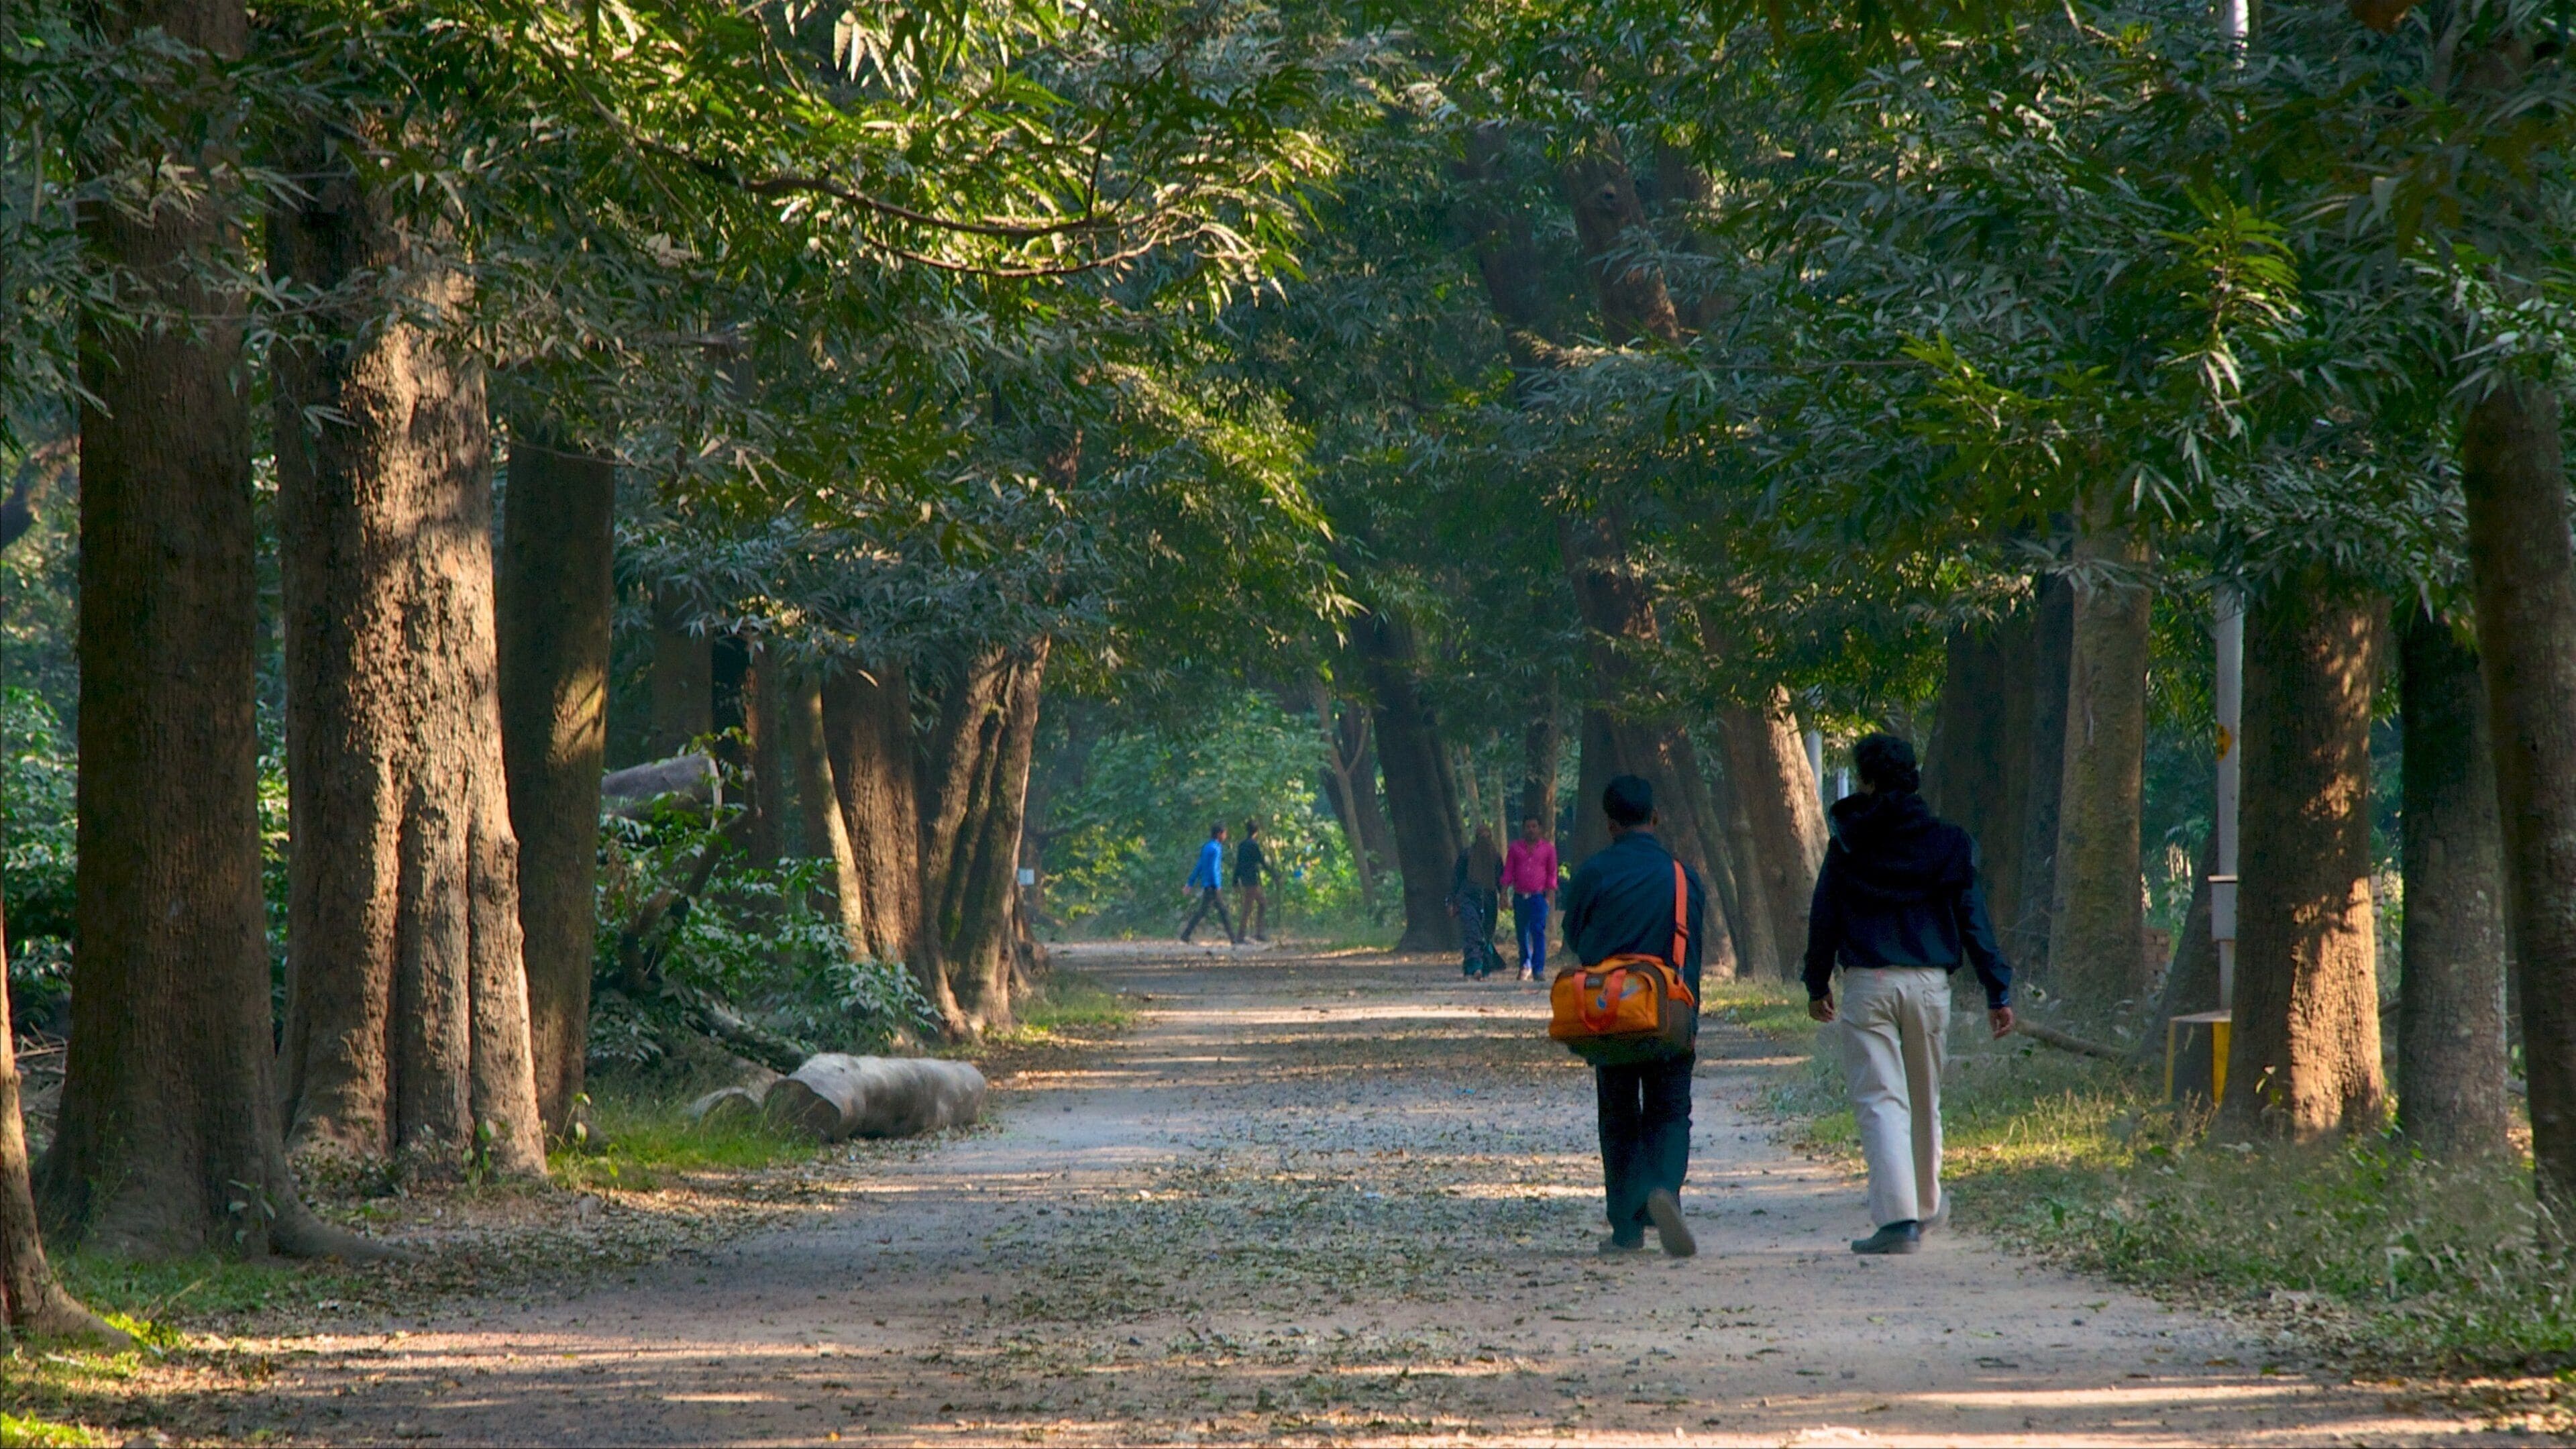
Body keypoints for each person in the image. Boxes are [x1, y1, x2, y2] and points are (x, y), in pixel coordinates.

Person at [1804, 733, 2015, 1256]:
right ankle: (1925, 1206)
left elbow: (1824, 915)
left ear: (1865, 780)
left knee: (1881, 1100)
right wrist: (1998, 990)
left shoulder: (1848, 842)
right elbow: (1974, 920)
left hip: (1869, 983)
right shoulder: (1948, 843)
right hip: (1929, 985)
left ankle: (1898, 1222)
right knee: (1926, 1097)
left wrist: (1817, 983)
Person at [1561, 775, 1707, 1258]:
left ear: (1610, 825)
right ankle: (1664, 1189)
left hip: (1610, 1013)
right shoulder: (1684, 877)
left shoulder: (1593, 874)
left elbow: (1575, 937)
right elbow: (1691, 952)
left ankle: (1626, 1227)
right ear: (1655, 818)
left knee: (1618, 1113)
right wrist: (1691, 1018)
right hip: (1669, 1011)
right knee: (1671, 1109)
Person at [1501, 816, 1559, 981]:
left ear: (1540, 829)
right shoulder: (1515, 848)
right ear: (1523, 829)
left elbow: (1552, 873)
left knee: (1538, 931)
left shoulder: (1548, 849)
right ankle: (1525, 964)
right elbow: (1508, 871)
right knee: (1522, 932)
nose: (1531, 830)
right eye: (1528, 827)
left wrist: (1549, 897)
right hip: (1520, 897)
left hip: (1538, 897)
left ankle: (1538, 969)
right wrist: (1503, 893)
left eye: (1534, 826)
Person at [1449, 829, 1505, 979]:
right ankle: (1475, 966)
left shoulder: (1495, 858)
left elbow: (1501, 881)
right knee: (1472, 931)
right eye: (1481, 838)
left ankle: (1484, 966)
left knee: (1486, 934)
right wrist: (1451, 902)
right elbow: (1456, 879)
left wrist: (1504, 897)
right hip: (1468, 898)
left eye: (1487, 838)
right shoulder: (1466, 855)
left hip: (1489, 900)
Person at [1180, 822, 1242, 945]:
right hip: (1212, 886)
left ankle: (1186, 934)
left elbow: (1199, 866)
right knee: (1223, 912)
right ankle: (1234, 939)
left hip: (1207, 885)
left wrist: (1190, 882)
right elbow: (1214, 868)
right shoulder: (1216, 849)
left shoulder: (1207, 847)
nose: (1226, 836)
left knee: (1203, 911)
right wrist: (1217, 885)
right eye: (1225, 834)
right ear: (1219, 834)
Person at [1234, 818, 1271, 943]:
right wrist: (1273, 874)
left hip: (1245, 879)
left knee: (1261, 903)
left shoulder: (1242, 845)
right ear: (1256, 832)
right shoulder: (1253, 845)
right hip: (1251, 881)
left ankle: (1258, 933)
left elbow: (1238, 864)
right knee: (1249, 907)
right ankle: (1241, 936)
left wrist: (1235, 880)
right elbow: (1261, 861)